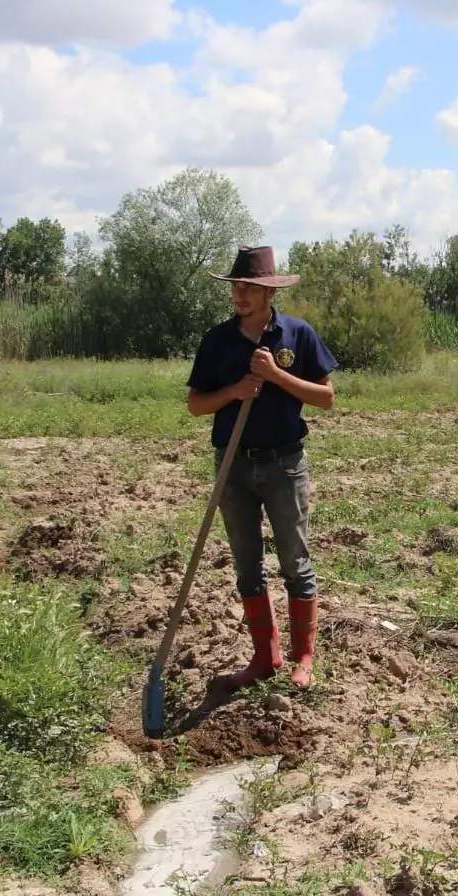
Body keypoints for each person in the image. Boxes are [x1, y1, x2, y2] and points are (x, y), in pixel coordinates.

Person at [186, 245, 338, 690]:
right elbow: (196, 404)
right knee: (247, 565)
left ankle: (303, 659)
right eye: (236, 286)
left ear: (270, 292)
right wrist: (233, 392)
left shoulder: (297, 334)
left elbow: (326, 398)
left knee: (295, 562)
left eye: (250, 287)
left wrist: (275, 376)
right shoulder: (217, 340)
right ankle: (264, 658)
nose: (241, 294)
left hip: (284, 465)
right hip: (233, 466)